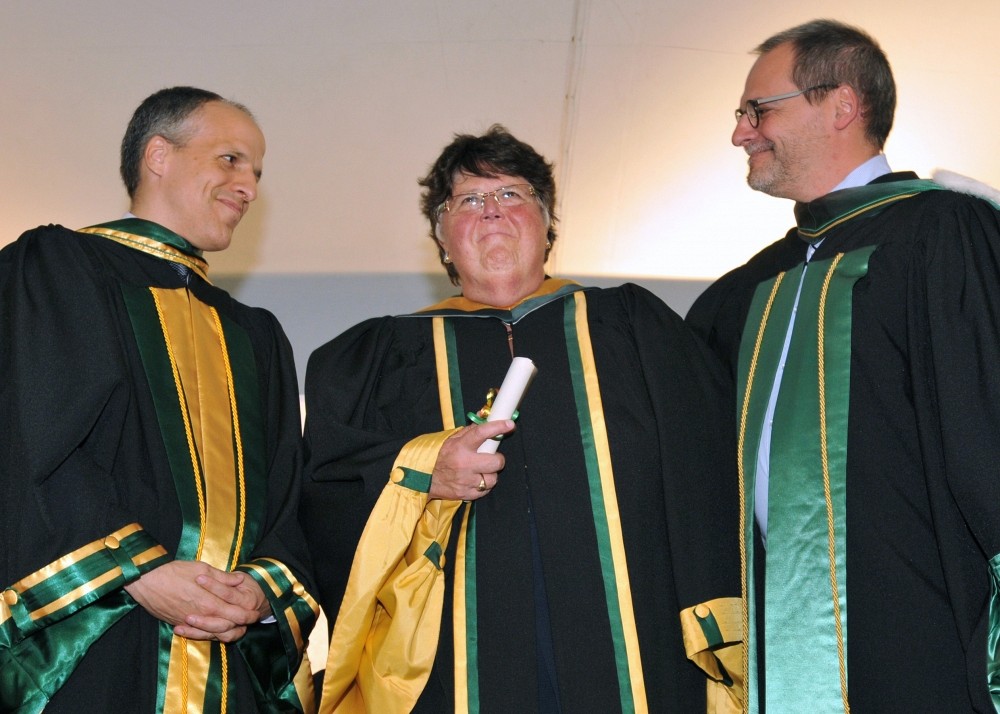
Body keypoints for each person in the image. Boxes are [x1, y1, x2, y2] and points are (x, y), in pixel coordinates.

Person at [301, 124, 742, 713]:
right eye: (469, 200)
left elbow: (714, 474)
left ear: (546, 218)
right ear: (441, 233)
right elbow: (324, 488)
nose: (492, 212)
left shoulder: (636, 329)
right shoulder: (377, 359)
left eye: (512, 194)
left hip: (639, 641)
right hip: (451, 656)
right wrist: (421, 469)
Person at [685, 19, 1000, 713]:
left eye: (758, 110)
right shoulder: (745, 290)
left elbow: (986, 423)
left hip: (917, 627)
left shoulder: (941, 234)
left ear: (842, 106)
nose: (741, 133)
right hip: (773, 637)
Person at [0, 86, 318, 713]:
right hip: (102, 638)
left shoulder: (255, 333)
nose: (249, 186)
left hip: (227, 654)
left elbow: (288, 495)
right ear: (158, 156)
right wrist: (141, 570)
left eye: (257, 171)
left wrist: (261, 588)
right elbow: (32, 439)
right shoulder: (60, 267)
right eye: (231, 159)